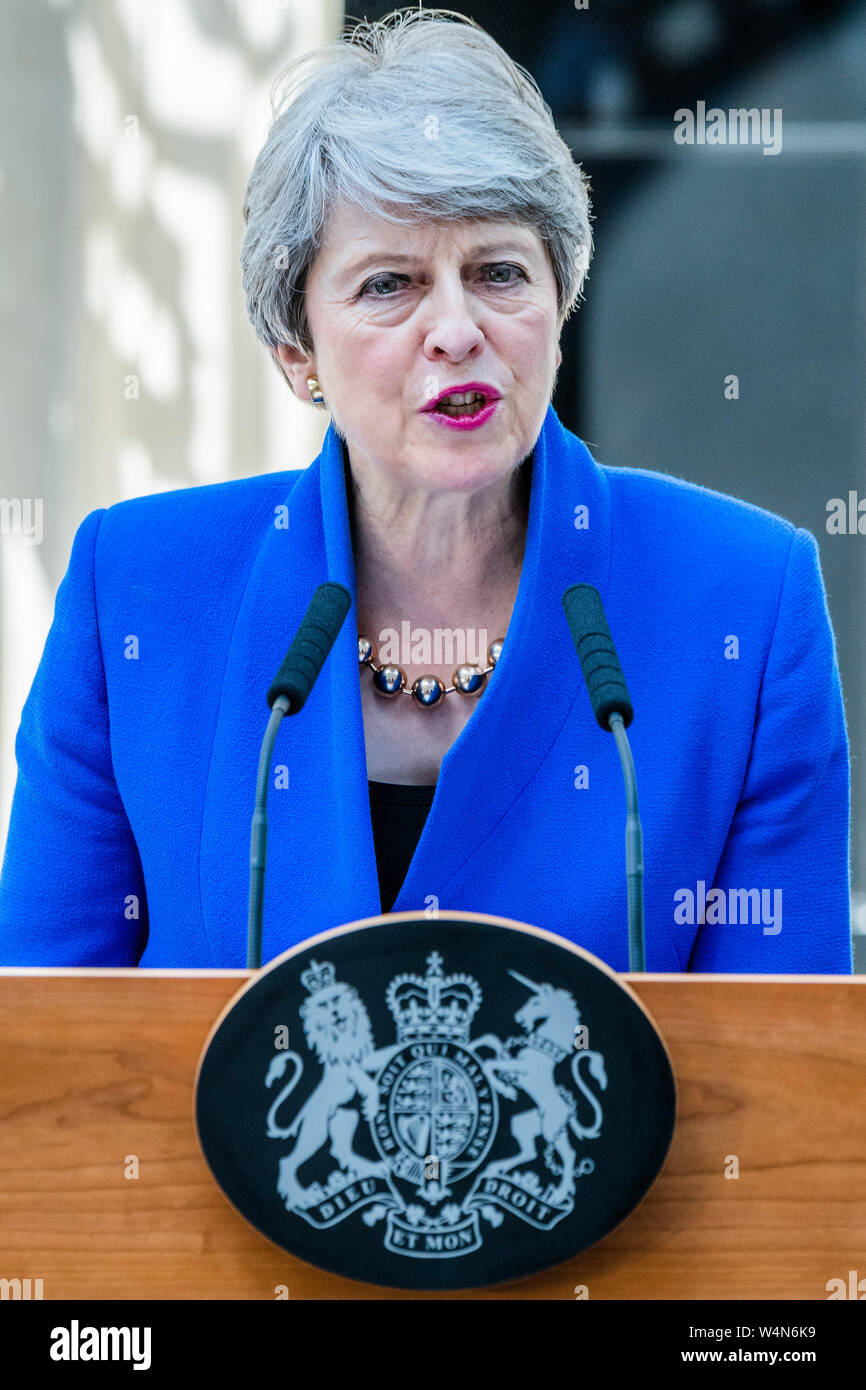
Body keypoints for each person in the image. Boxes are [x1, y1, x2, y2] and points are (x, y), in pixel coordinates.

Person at [0, 8, 851, 971]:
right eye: (387, 286)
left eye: (497, 273)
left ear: (558, 309)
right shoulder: (139, 594)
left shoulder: (746, 601)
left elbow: (788, 1078)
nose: (456, 329)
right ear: (296, 353)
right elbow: (41, 1056)